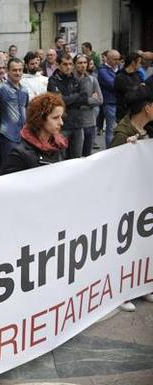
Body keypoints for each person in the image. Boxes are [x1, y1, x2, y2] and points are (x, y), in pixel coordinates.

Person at [109, 84, 153, 311]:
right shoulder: (122, 134)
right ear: (147, 108)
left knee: (144, 243)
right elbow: (113, 170)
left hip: (145, 198)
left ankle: (143, 284)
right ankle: (121, 293)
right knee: (125, 246)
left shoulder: (149, 129)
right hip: (127, 201)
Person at [3, 93, 67, 174]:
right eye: (55, 118)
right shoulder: (19, 154)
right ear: (40, 119)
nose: (61, 123)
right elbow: (7, 183)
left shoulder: (59, 145)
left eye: (61, 117)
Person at [47, 53, 88, 159]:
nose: (68, 67)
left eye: (70, 64)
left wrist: (68, 99)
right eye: (65, 64)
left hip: (77, 124)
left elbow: (84, 99)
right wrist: (76, 96)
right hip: (62, 125)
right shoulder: (53, 81)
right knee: (60, 158)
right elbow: (59, 102)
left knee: (76, 158)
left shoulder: (76, 79)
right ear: (58, 65)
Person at [74, 54, 103, 156]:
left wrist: (83, 101)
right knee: (76, 155)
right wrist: (90, 100)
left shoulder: (92, 79)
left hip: (90, 122)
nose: (83, 65)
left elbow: (100, 100)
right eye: (80, 63)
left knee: (87, 155)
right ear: (75, 65)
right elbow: (70, 102)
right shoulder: (72, 80)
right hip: (75, 122)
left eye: (85, 63)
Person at [98, 49, 121, 148]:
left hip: (120, 102)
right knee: (110, 128)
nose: (117, 61)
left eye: (118, 59)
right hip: (109, 102)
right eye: (115, 59)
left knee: (119, 128)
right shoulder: (102, 70)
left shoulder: (119, 69)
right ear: (108, 59)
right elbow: (113, 84)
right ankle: (110, 150)